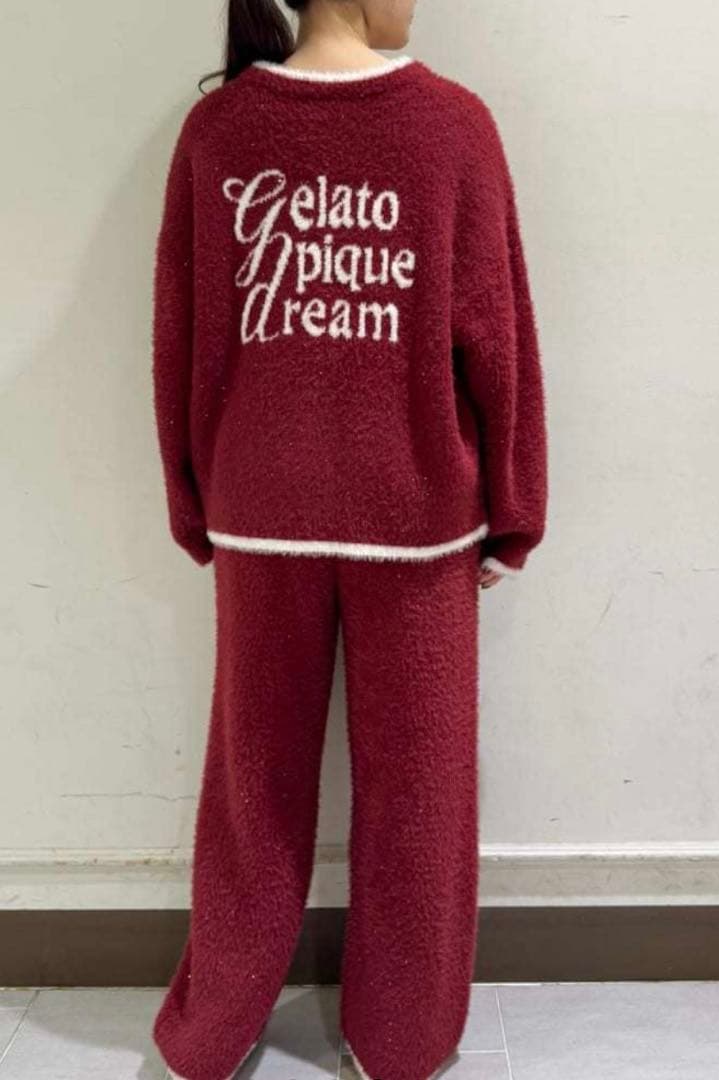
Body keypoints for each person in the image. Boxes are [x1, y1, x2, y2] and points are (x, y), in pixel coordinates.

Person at [150, 1, 548, 1078]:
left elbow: (182, 338)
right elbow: (499, 331)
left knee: (254, 787)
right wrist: (514, 509)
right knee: (422, 791)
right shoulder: (451, 125)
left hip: (259, 511)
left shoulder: (219, 130)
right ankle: (404, 1041)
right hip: (415, 518)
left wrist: (191, 498)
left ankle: (212, 1030)